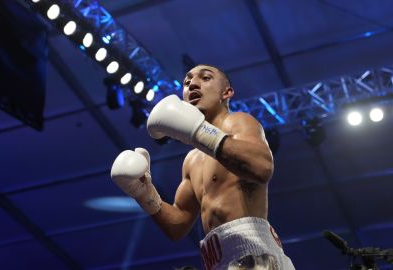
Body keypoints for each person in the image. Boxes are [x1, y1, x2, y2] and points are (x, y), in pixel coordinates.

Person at [111, 64, 295, 270]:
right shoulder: (191, 160)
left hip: (256, 256)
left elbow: (261, 168)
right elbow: (178, 226)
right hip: (219, 263)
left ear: (227, 92)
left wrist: (199, 132)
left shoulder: (238, 122)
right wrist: (144, 194)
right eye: (187, 82)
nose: (193, 84)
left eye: (205, 78)